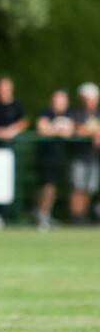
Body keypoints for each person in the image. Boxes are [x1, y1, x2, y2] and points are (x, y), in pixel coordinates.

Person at [0, 76, 28, 229]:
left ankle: (6, 214)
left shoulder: (17, 105)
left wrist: (11, 131)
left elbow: (23, 121)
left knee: (9, 181)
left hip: (10, 149)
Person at [35, 90, 75, 230]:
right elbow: (42, 128)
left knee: (53, 187)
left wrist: (55, 130)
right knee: (47, 186)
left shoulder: (68, 115)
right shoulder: (46, 113)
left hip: (61, 156)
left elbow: (70, 131)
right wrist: (56, 131)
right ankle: (41, 214)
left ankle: (45, 214)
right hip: (47, 156)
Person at [70, 82, 100, 225]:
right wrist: (94, 131)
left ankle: (83, 216)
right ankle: (76, 216)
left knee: (89, 188)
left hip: (94, 156)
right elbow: (77, 128)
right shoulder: (77, 113)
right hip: (79, 155)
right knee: (78, 186)